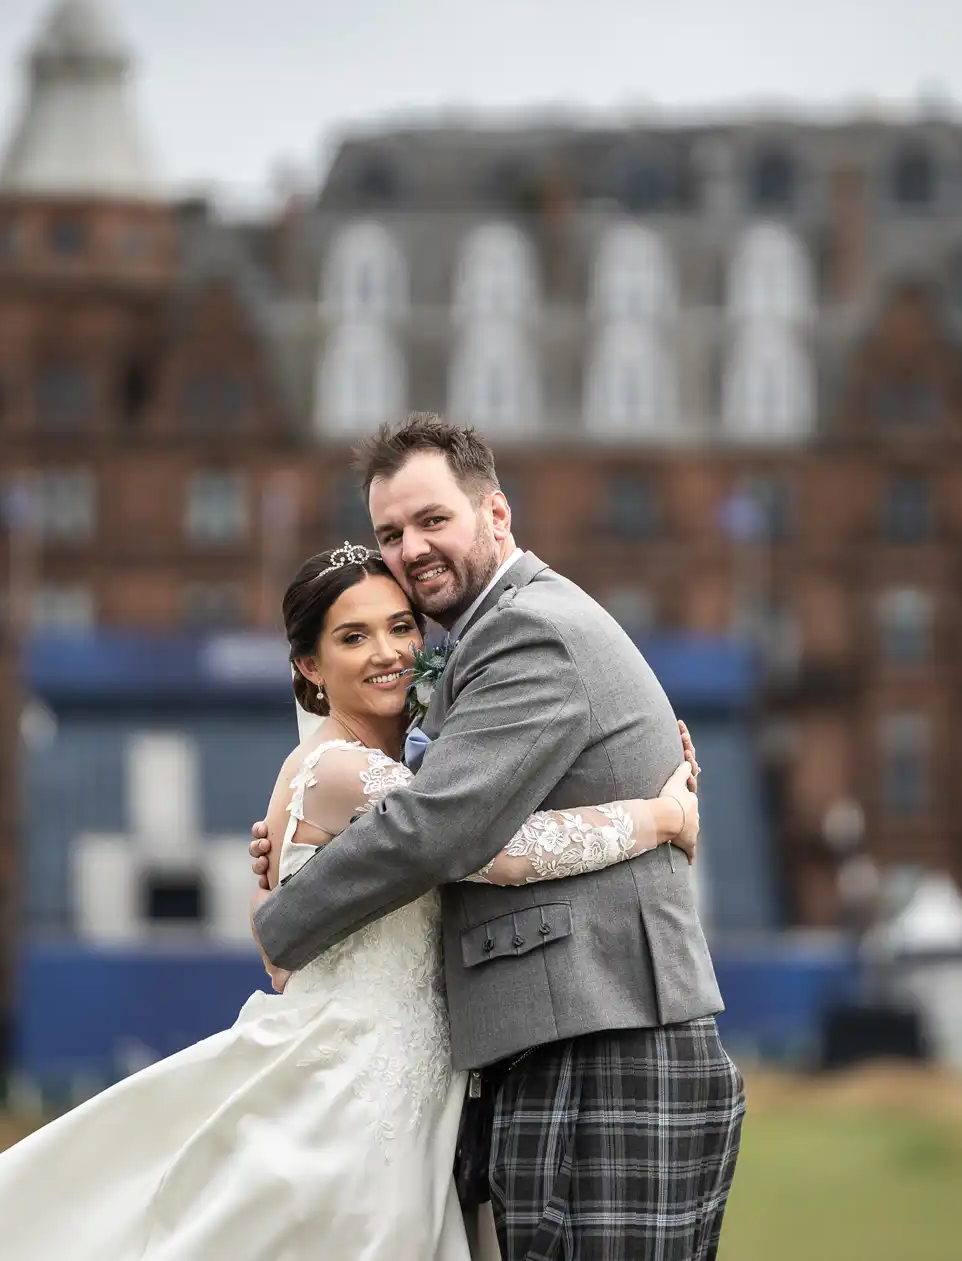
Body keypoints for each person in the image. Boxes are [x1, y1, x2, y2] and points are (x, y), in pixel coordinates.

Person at [0, 543, 702, 1261]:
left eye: (401, 626)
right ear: (308, 665)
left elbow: (288, 943)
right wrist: (656, 813)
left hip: (410, 1082)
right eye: (353, 635)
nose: (388, 651)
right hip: (354, 1086)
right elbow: (495, 849)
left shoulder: (385, 764)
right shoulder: (345, 771)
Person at [251, 414, 744, 1261]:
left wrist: (283, 913)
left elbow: (442, 827)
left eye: (432, 520)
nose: (411, 548)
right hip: (570, 1042)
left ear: (497, 515)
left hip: (606, 1047)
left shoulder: (526, 629)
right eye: (391, 533)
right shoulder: (489, 637)